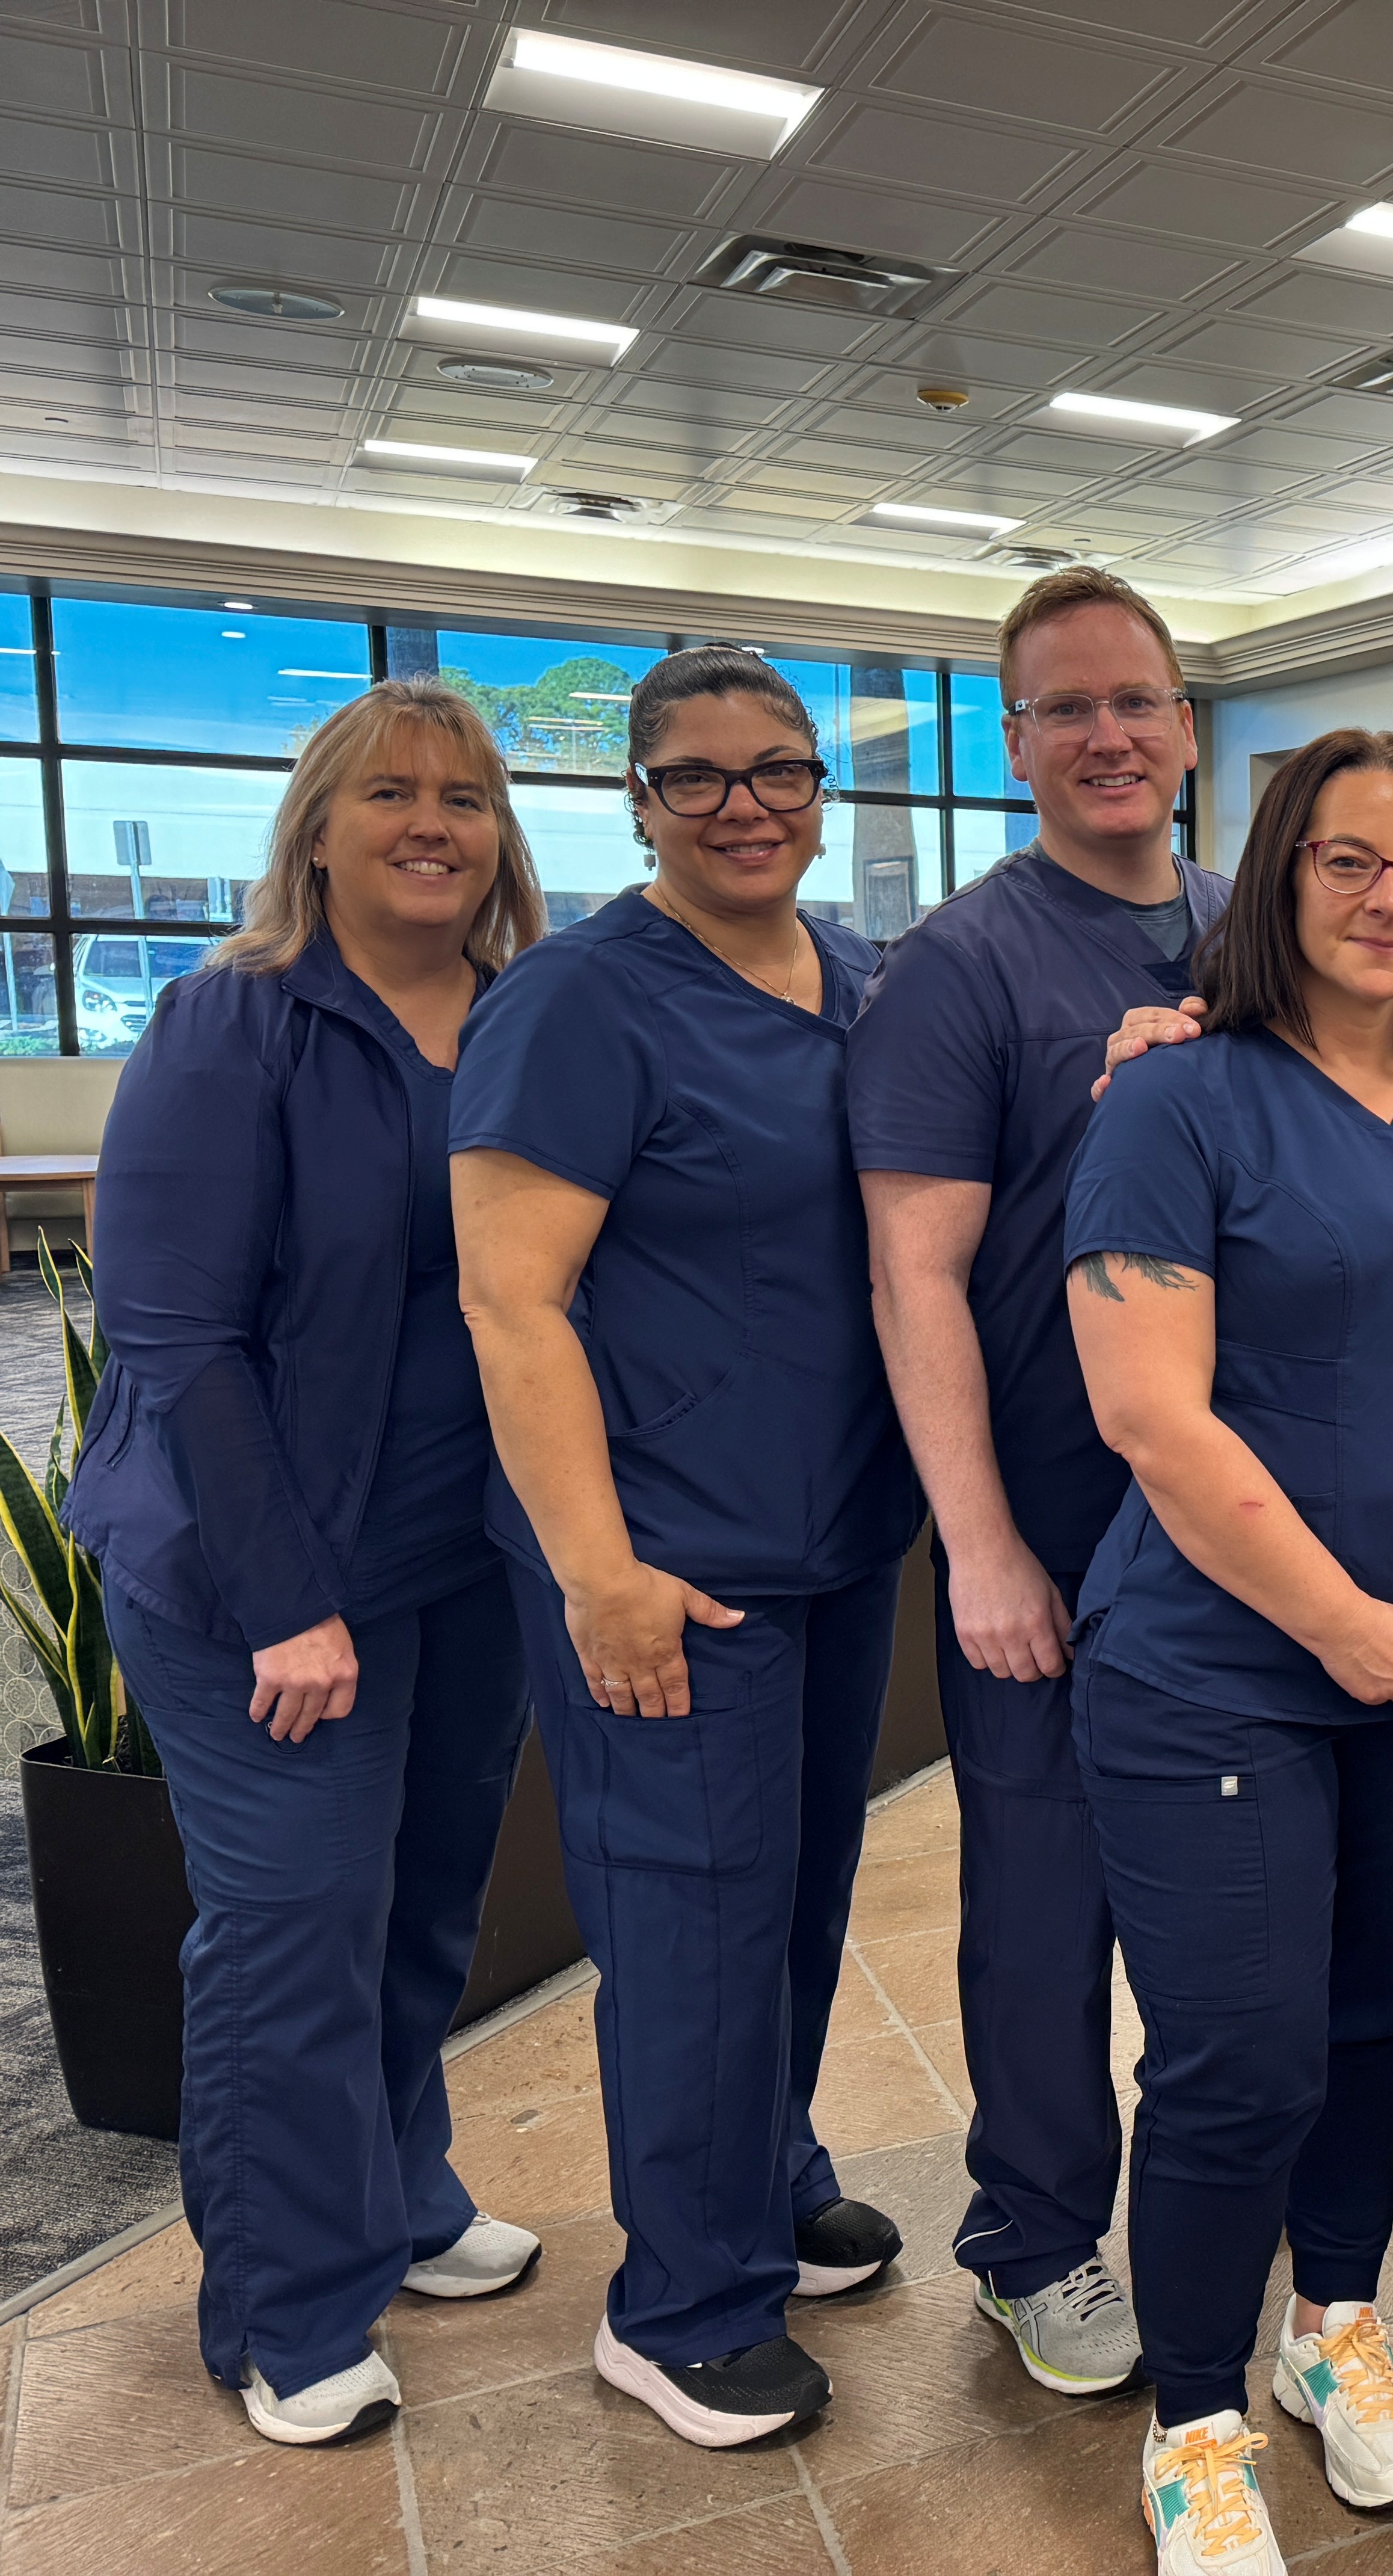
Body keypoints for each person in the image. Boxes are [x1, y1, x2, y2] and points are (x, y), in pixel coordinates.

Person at [1065, 730, 1393, 2576]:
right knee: (1239, 2057)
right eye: (1348, 861)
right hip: (1222, 1669)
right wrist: (1362, 1632)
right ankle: (1195, 2412)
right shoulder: (1175, 1104)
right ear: (1278, 878)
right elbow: (1157, 1418)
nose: (1388, 898)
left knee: (1379, 2017)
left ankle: (1331, 2325)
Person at [68, 680, 547, 2448]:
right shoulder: (232, 1023)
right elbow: (178, 1338)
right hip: (249, 1574)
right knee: (293, 1932)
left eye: (469, 798)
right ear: (320, 829)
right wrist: (289, 1600)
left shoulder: (520, 1018)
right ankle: (288, 2303)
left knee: (422, 1908)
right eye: (393, 794)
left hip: (456, 1562)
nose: (434, 823)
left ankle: (404, 2194)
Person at [454, 647, 922, 2449]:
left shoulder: (860, 979)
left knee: (794, 1899)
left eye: (779, 771)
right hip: (662, 1557)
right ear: (636, 802)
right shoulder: (580, 1000)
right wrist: (597, 1567)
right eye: (699, 776)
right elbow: (514, 1301)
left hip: (823, 1535)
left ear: (821, 792)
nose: (745, 805)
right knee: (690, 1919)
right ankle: (680, 2301)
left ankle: (764, 2175)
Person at [850, 566, 1227, 2396]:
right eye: (1065, 709)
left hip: (1237, 1519)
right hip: (1057, 1528)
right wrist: (980, 1545)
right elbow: (915, 1269)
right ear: (1013, 745)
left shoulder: (1255, 928)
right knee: (1045, 1905)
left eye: (1135, 701)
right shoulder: (964, 966)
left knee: (1235, 1897)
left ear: (1184, 727)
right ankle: (1039, 2239)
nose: (1107, 735)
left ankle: (1222, 2210)